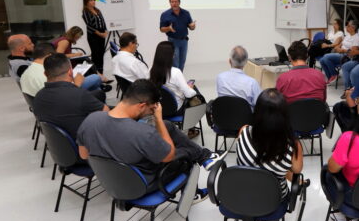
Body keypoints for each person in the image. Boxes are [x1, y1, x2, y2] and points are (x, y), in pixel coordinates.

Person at [78, 80, 219, 194]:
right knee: (185, 153)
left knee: (167, 125)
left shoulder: (90, 120)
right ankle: (196, 181)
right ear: (142, 105)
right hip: (140, 184)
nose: (150, 114)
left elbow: (84, 155)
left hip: (111, 181)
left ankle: (204, 156)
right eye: (151, 110)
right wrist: (157, 119)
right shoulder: (142, 132)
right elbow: (169, 156)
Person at [235, 89, 303, 203]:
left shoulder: (244, 131)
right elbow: (297, 170)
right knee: (283, 170)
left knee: (274, 168)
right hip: (273, 200)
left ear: (257, 111)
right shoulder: (292, 146)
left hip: (243, 192)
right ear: (284, 115)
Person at [32, 53, 109, 140]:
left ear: (45, 74)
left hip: (61, 146)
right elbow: (106, 115)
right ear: (70, 72)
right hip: (86, 144)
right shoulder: (79, 94)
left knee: (97, 94)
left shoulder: (38, 97)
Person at [149, 41, 198, 119]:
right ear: (171, 55)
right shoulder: (176, 72)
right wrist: (190, 88)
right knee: (195, 95)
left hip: (157, 109)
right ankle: (191, 128)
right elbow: (189, 94)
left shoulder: (151, 71)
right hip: (175, 109)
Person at [159, 0, 195, 71]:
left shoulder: (186, 13)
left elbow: (191, 27)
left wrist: (192, 26)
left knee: (182, 62)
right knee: (175, 63)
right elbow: (161, 29)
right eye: (172, 2)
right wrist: (168, 28)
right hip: (173, 41)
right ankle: (175, 81)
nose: (174, 4)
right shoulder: (165, 14)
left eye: (176, 1)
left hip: (184, 41)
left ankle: (179, 79)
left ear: (179, 2)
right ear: (169, 3)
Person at [81, 0, 108, 74]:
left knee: (101, 54)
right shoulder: (85, 12)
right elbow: (89, 25)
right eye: (91, 0)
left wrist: (105, 31)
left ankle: (101, 73)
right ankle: (95, 74)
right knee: (95, 55)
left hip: (102, 34)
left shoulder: (97, 10)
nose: (93, 2)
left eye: (94, 0)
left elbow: (103, 21)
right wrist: (99, 33)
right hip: (93, 36)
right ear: (86, 2)